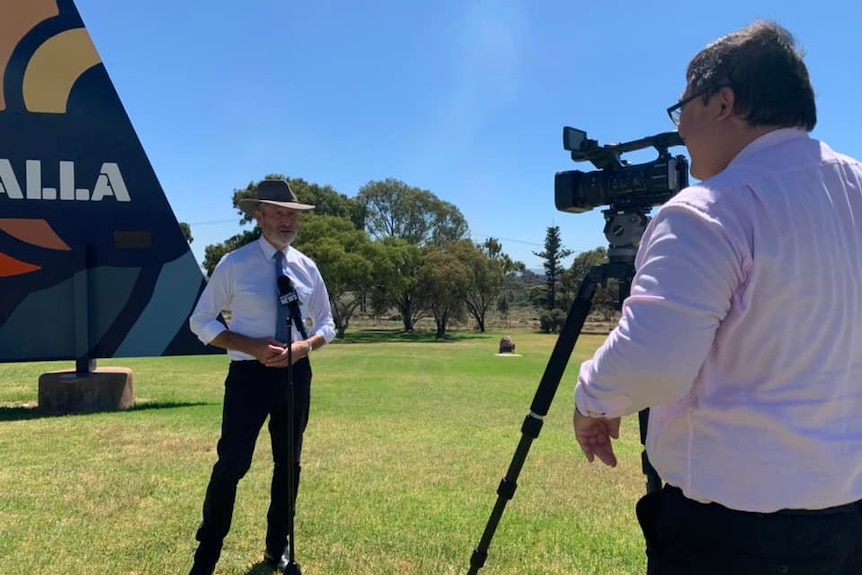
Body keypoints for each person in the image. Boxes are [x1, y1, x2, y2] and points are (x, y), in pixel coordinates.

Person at [573, 21, 862, 574]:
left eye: (682, 107)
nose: (680, 129)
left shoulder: (708, 209)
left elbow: (653, 362)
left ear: (723, 102)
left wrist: (592, 400)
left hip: (731, 537)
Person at [187, 178, 336, 575]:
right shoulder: (235, 264)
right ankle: (206, 557)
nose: (287, 221)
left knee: (289, 465)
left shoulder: (307, 268)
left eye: (293, 215)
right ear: (260, 216)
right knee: (232, 464)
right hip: (248, 377)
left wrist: (305, 347)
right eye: (278, 213)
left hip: (295, 374)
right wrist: (251, 347)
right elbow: (200, 320)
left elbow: (328, 323)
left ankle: (277, 549)